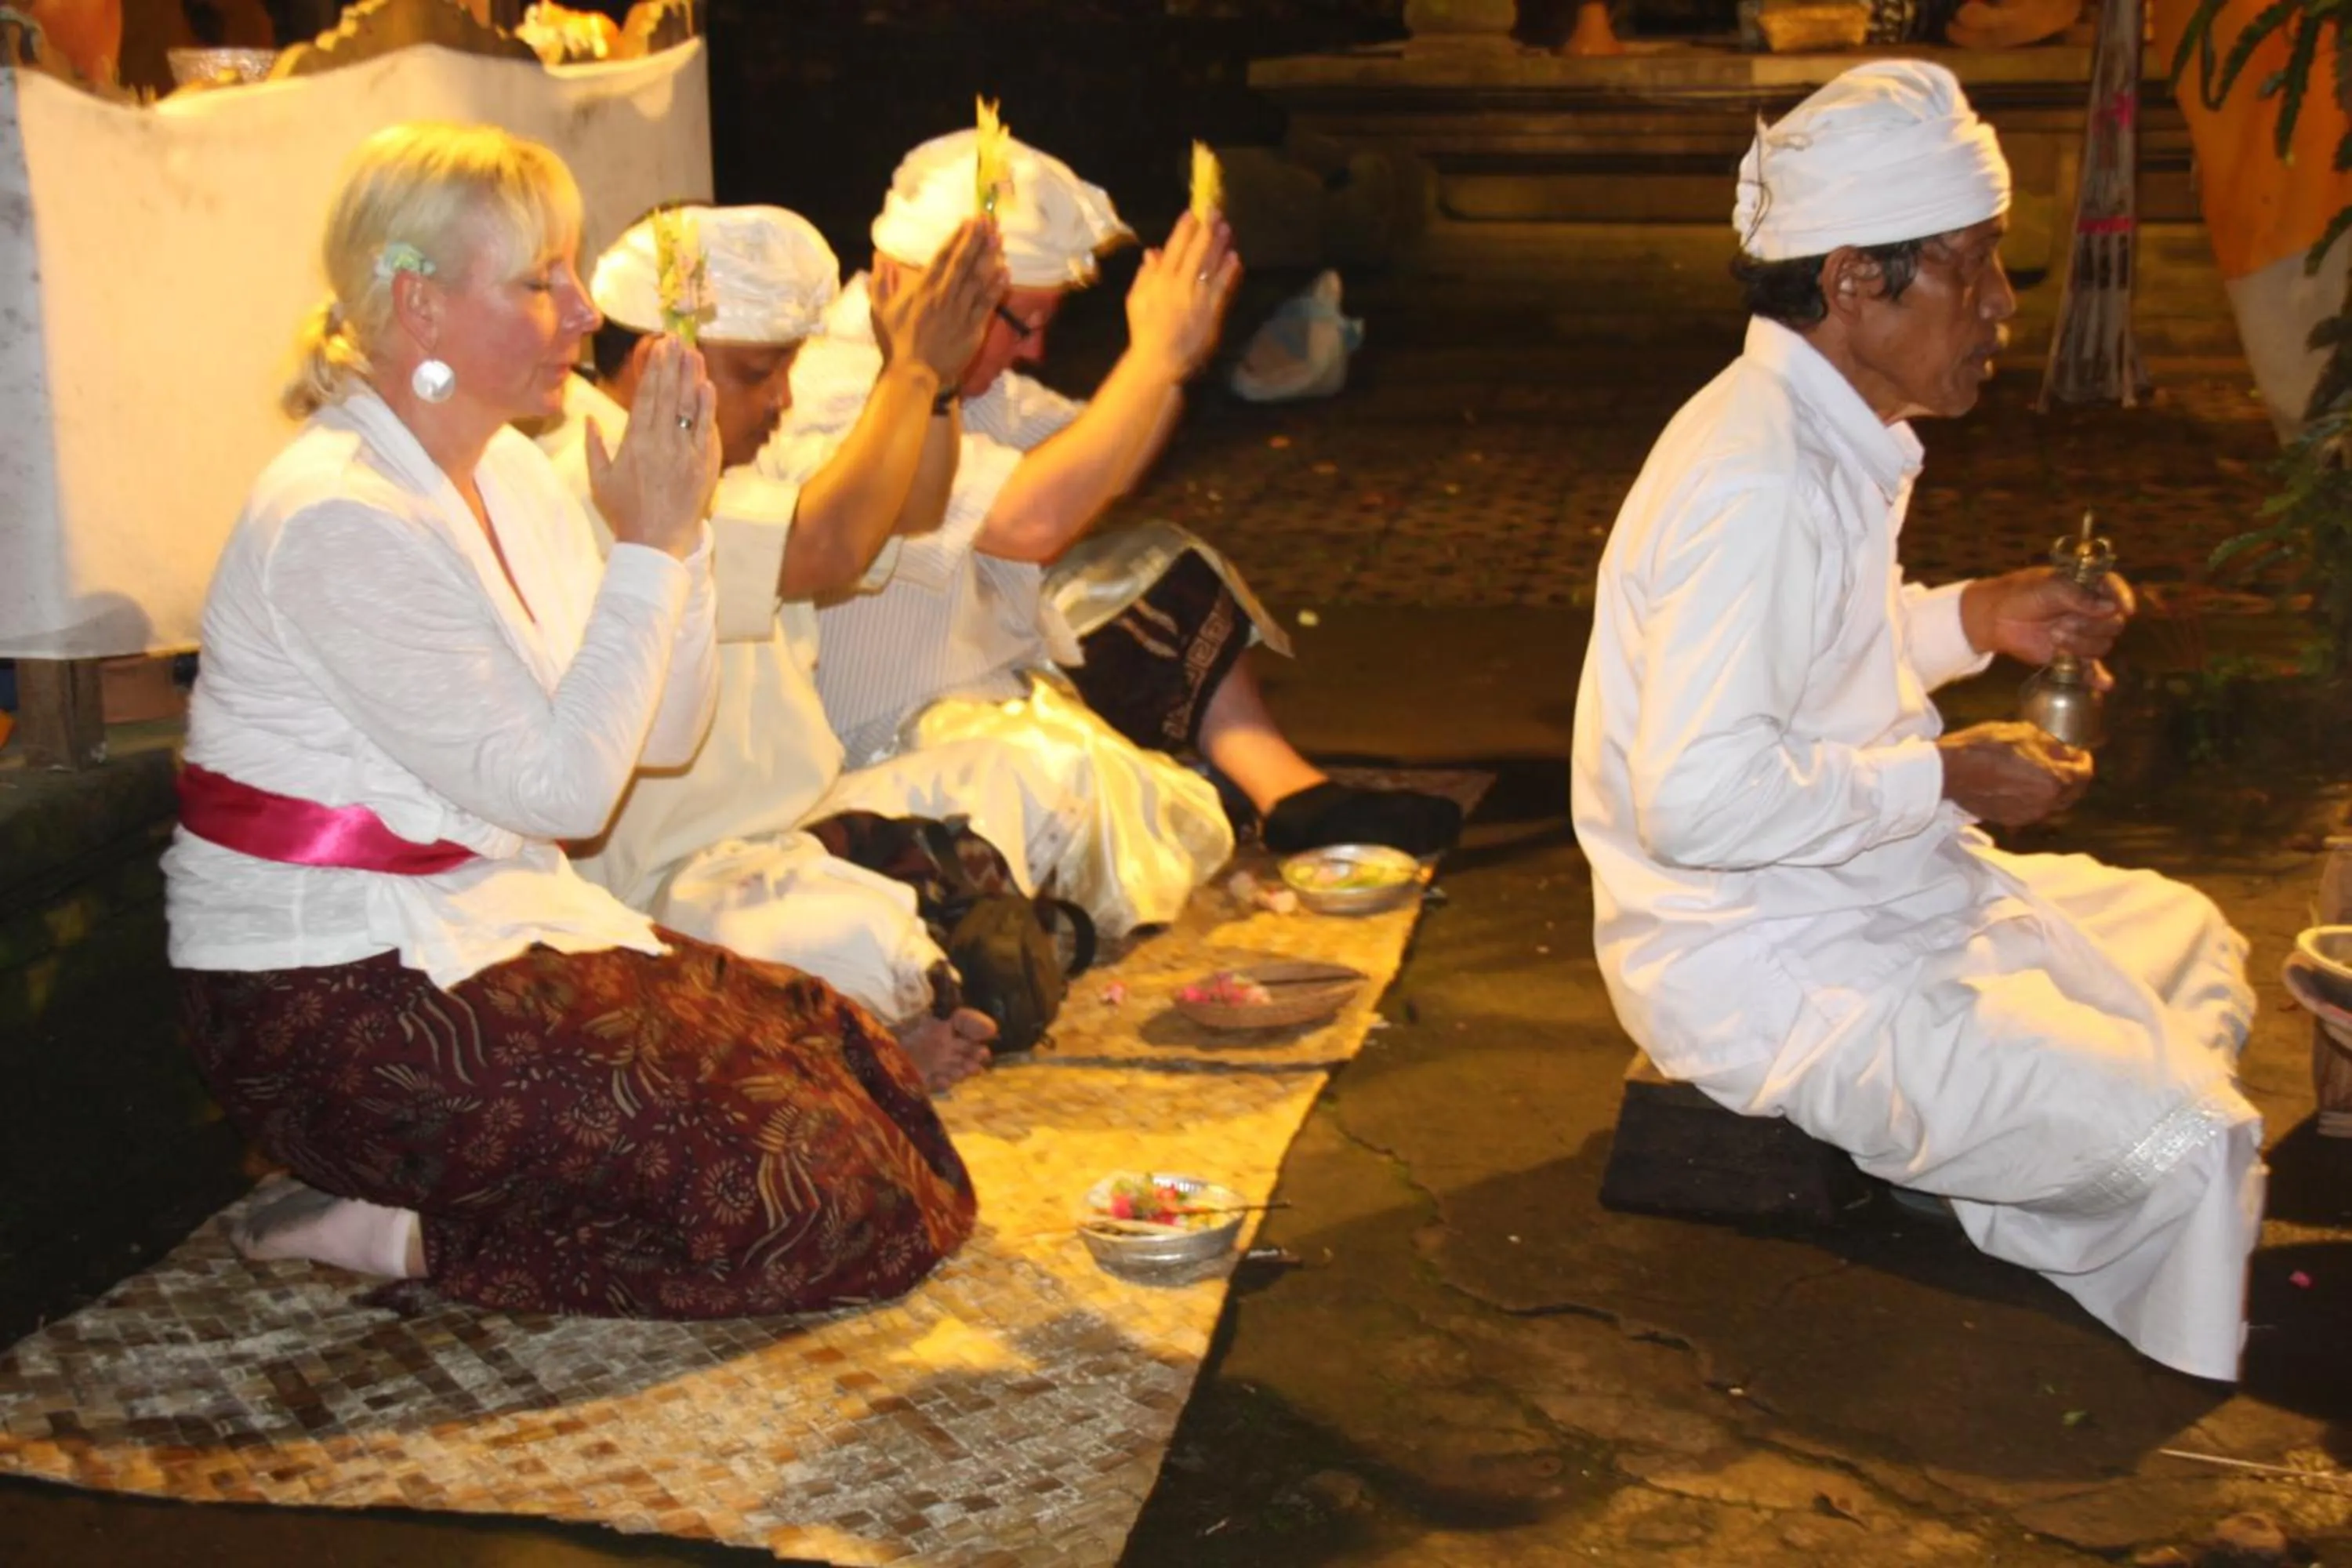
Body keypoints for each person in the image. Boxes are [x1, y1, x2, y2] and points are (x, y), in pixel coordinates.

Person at [166, 124, 974, 1319]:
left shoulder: (507, 471)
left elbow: (664, 730)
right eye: (539, 281)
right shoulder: (337, 514)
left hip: (485, 930)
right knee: (817, 1196)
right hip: (334, 1000)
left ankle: (467, 1202)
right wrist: (649, 544)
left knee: (856, 1062)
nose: (584, 310)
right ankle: (408, 1235)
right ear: (420, 308)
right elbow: (564, 796)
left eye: (571, 273)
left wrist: (682, 531)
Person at [1570, 62, 2263, 1381]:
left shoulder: (1818, 426)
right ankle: (2015, 1195)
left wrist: (1980, 618)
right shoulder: (1759, 471)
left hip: (1866, 893)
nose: (2003, 304)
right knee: (2194, 1146)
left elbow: (1820, 655)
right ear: (1849, 281)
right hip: (1766, 966)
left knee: (2187, 940)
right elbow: (1699, 797)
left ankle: (1994, 1160)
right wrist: (1941, 780)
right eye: (1970, 266)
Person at [767, 129, 1463, 933]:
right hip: (881, 738)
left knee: (1153, 565)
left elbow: (1101, 457)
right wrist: (1153, 362)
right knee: (1089, 797)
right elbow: (1032, 520)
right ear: (917, 284)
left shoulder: (964, 363)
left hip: (986, 683)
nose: (1036, 349)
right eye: (1021, 321)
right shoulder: (838, 378)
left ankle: (1291, 793)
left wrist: (1177, 356)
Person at [536, 202, 1094, 1087]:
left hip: (795, 833)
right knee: (847, 936)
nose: (784, 400)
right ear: (655, 365)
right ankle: (880, 1025)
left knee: (1010, 774)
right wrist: (908, 370)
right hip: (675, 887)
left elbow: (907, 510)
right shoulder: (603, 472)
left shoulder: (733, 462)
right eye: (762, 372)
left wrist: (936, 387)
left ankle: (900, 998)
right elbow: (829, 544)